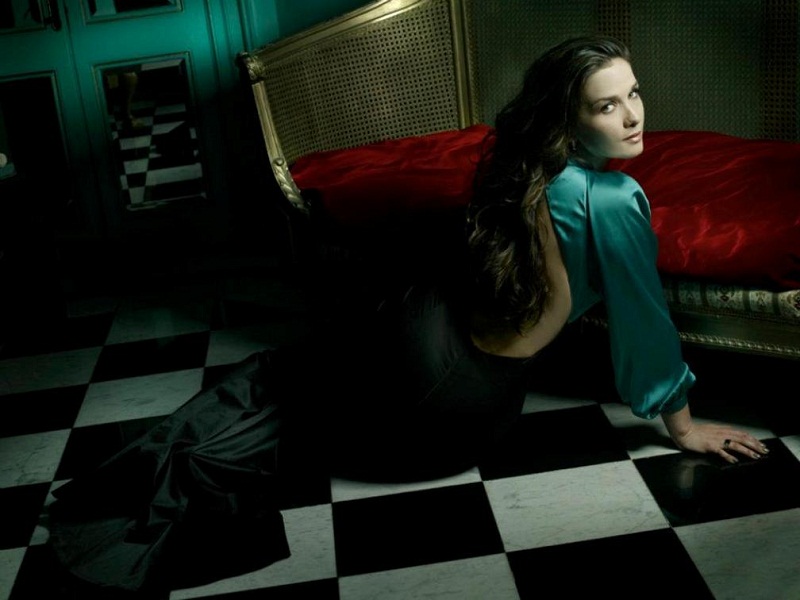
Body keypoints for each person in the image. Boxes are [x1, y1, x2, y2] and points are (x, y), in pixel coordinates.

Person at [46, 35, 769, 594]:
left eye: (634, 93)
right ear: (566, 117)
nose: (634, 114)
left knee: (284, 383)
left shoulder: (525, 163)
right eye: (606, 105)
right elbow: (643, 320)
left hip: (428, 349)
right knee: (294, 396)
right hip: (458, 409)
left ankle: (164, 472)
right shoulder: (612, 199)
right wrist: (682, 426)